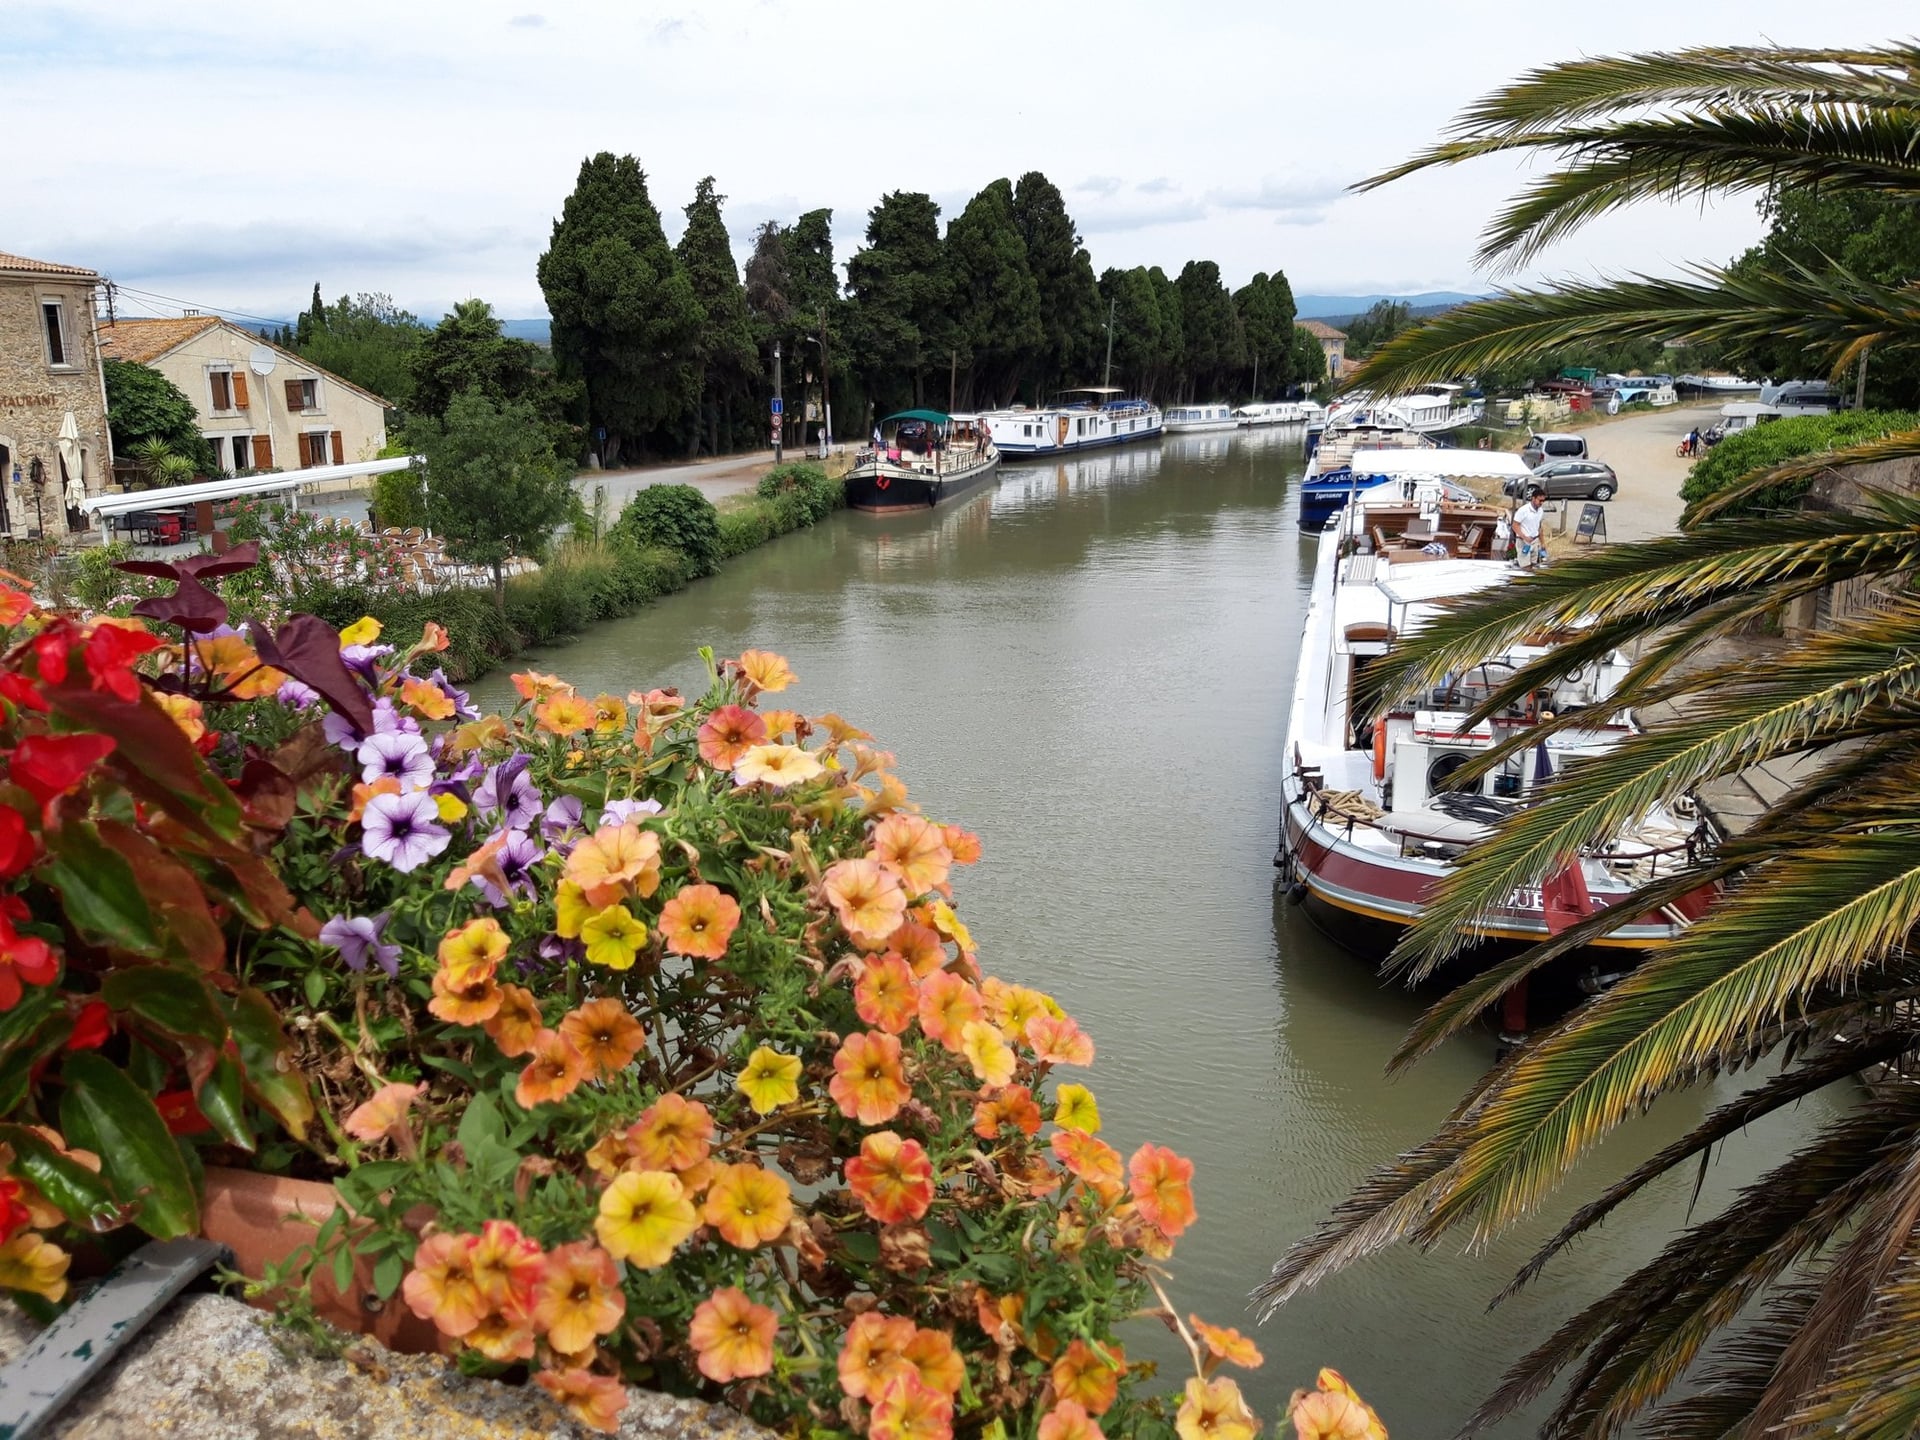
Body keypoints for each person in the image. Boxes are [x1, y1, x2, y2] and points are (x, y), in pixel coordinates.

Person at [1512, 487, 1549, 569]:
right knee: (1526, 567)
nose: (1541, 503)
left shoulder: (1540, 511)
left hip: (1535, 541)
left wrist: (1542, 543)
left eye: (1543, 501)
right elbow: (1515, 525)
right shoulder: (1523, 510)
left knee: (1534, 565)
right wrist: (1524, 537)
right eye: (1540, 500)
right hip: (1523, 541)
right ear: (1533, 498)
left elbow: (1539, 527)